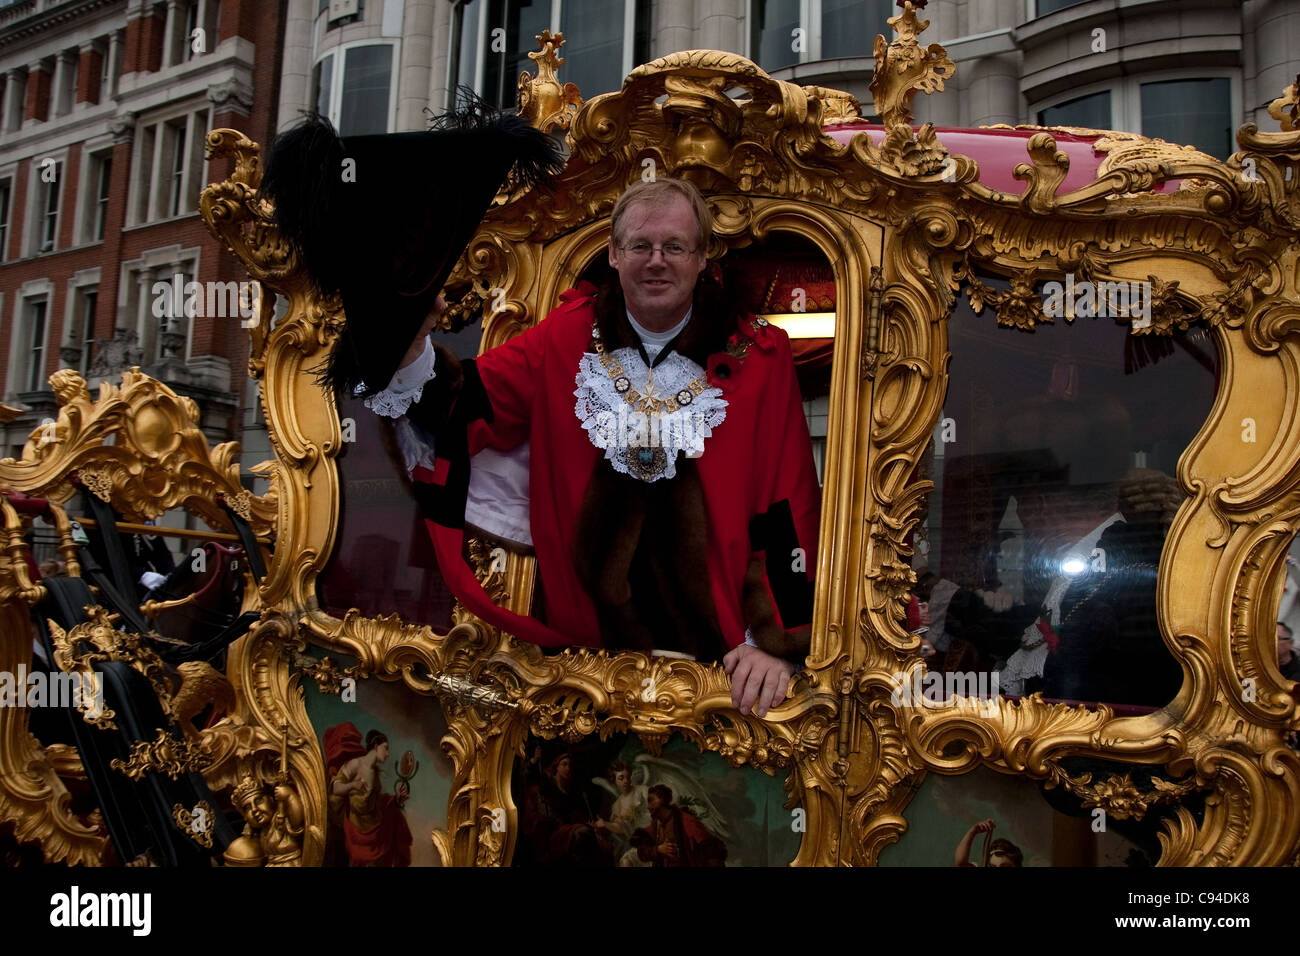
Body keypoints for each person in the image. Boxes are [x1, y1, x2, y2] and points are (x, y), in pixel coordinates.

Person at [366, 178, 821, 717]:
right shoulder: (562, 337)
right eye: (639, 246)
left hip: (718, 674)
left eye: (674, 247)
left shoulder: (760, 355)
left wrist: (777, 642)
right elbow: (467, 407)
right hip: (586, 674)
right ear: (613, 254)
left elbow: (787, 508)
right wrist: (408, 341)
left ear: (702, 259)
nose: (656, 261)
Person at [324, 724, 413, 866]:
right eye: (386, 748)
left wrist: (396, 800)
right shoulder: (355, 764)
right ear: (376, 746)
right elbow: (335, 788)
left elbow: (377, 803)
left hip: (375, 829)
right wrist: (352, 785)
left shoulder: (375, 773)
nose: (387, 753)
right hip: (356, 831)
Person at [629, 784, 726, 867]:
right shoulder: (655, 825)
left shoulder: (685, 820)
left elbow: (712, 851)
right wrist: (658, 849)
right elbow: (642, 851)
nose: (648, 806)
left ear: (661, 799)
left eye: (651, 800)